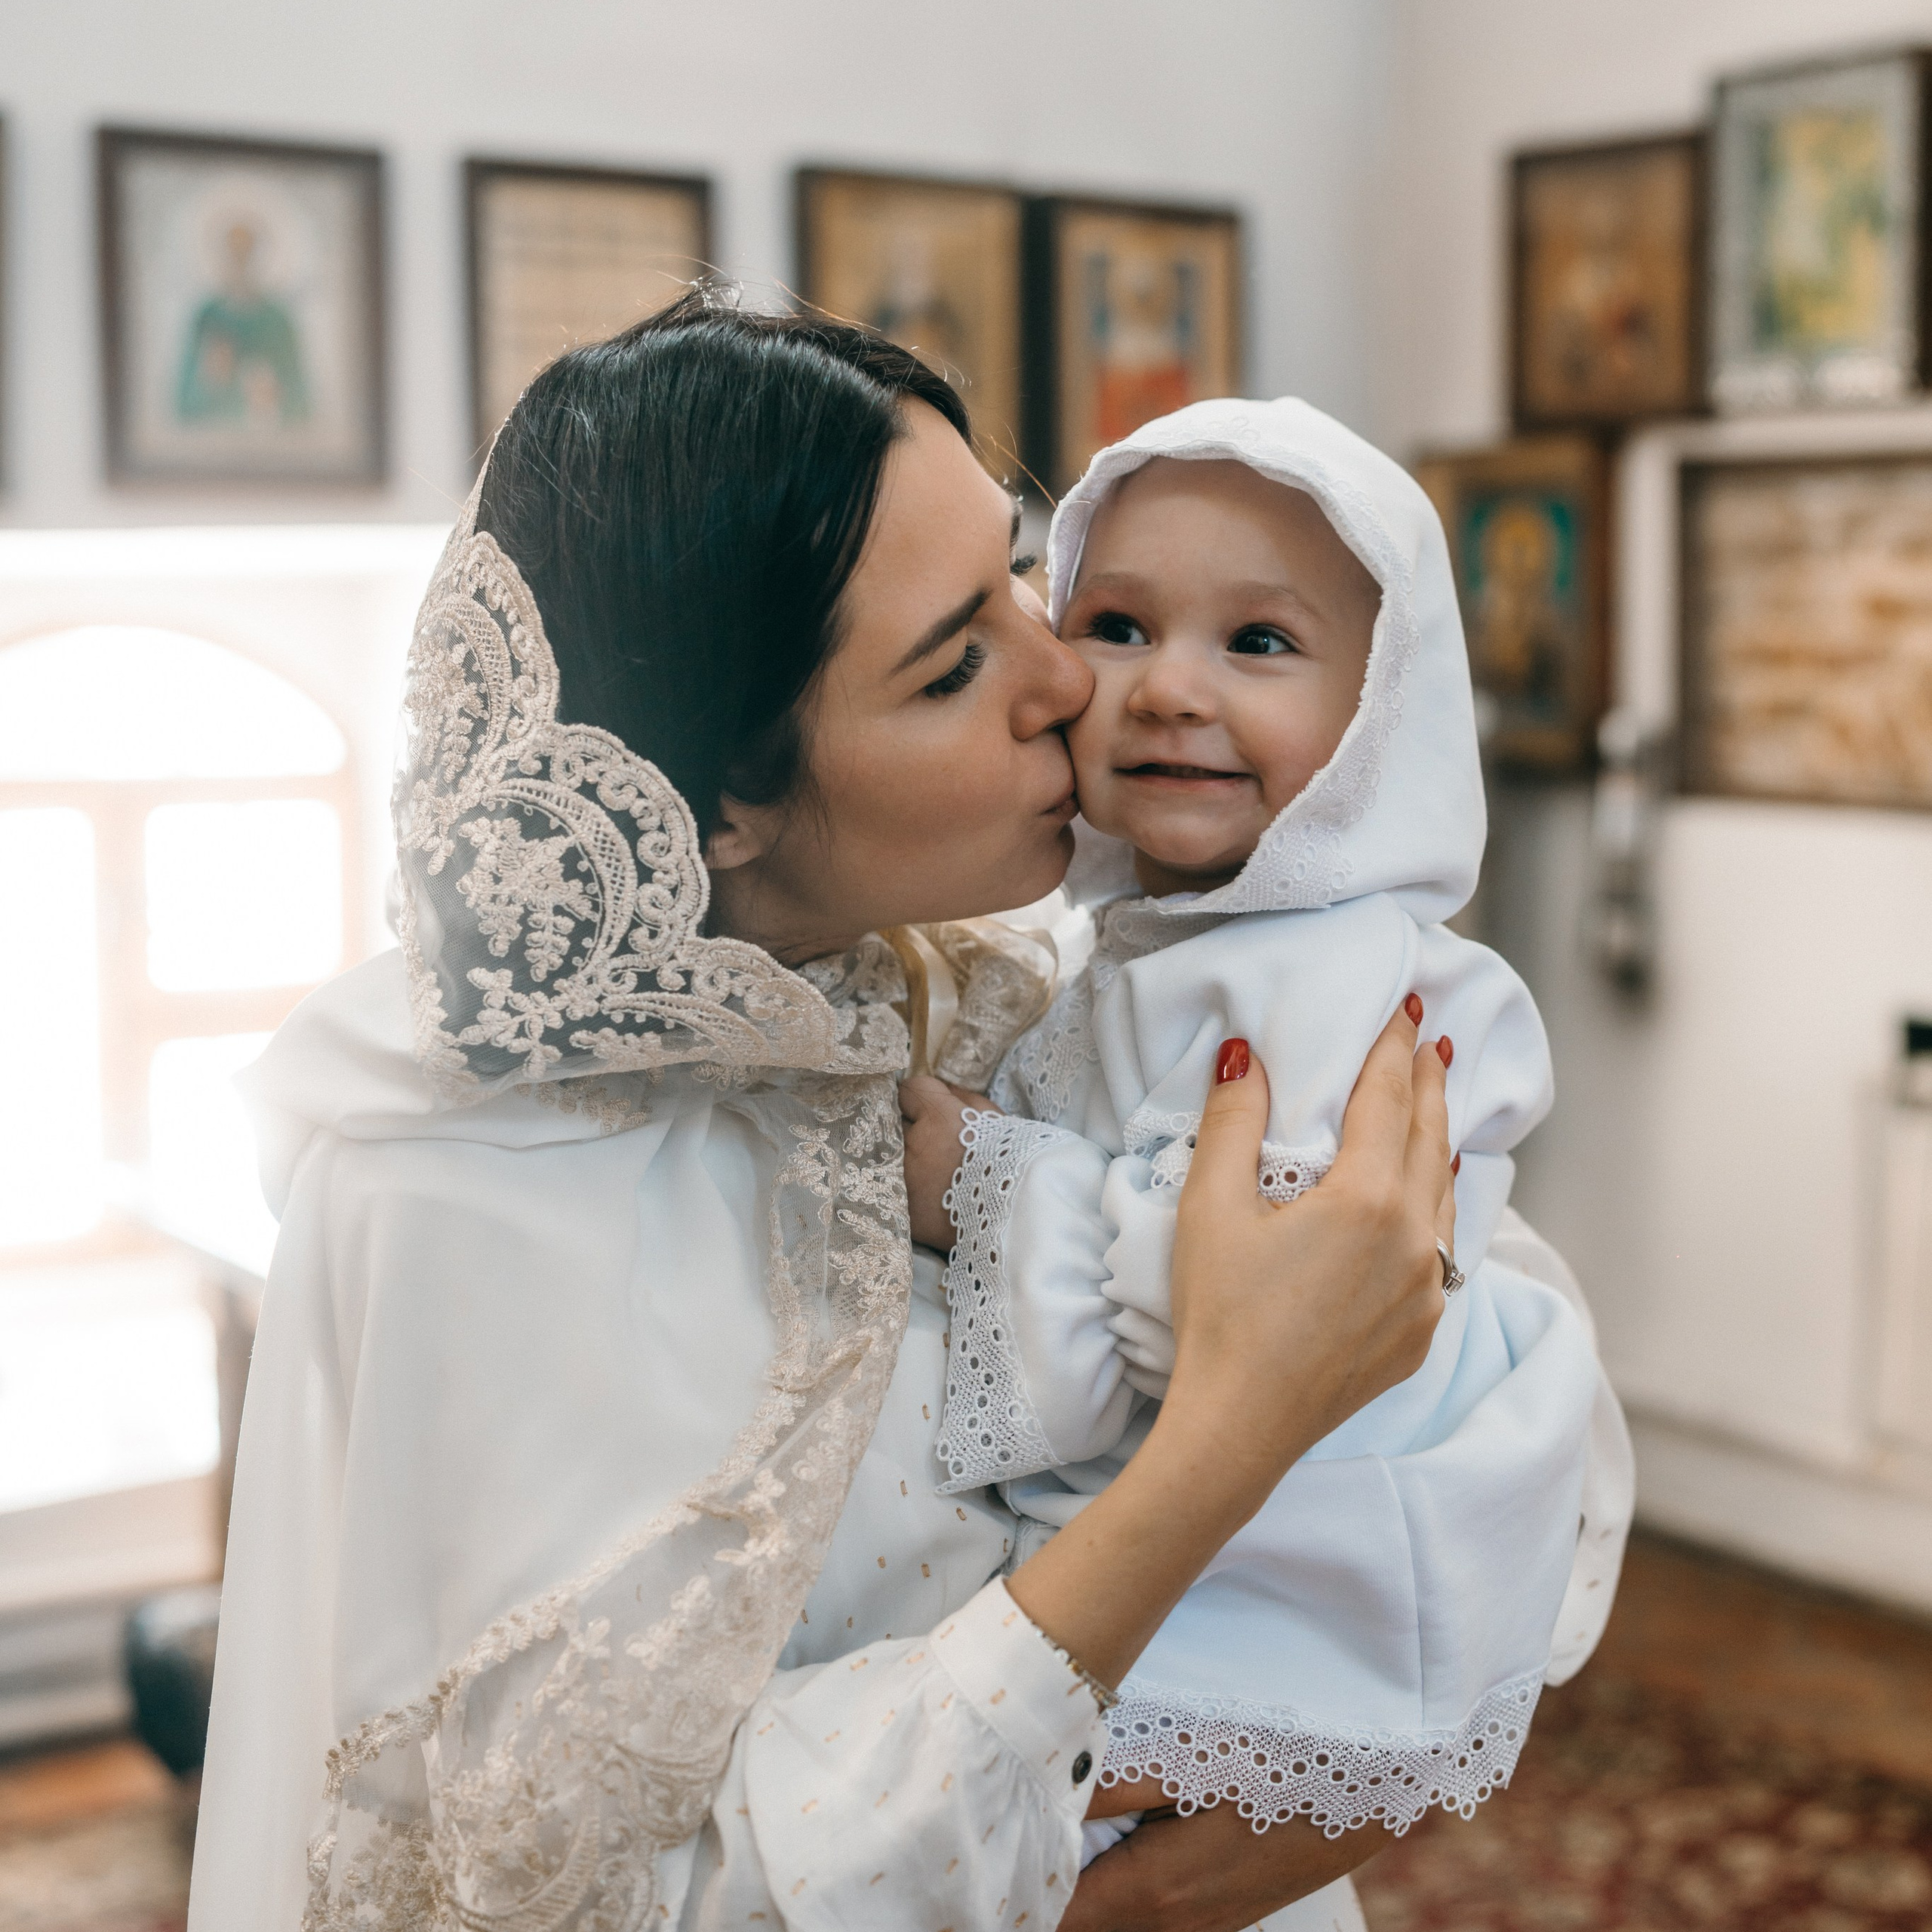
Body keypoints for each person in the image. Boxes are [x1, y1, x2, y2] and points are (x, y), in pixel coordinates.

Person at [189, 288, 1466, 1932]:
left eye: (1019, 575)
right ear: (719, 802)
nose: (1066, 680)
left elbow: (1465, 1355)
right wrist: (1231, 1434)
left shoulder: (993, 978)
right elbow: (602, 1886)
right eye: (950, 665)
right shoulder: (460, 1198)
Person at [902, 398, 1633, 1871]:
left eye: (1256, 642)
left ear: (1382, 709)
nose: (1167, 688)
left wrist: (975, 1171)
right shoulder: (1139, 944)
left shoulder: (1344, 981)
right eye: (1112, 622)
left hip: (1278, 1587)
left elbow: (1259, 1321)